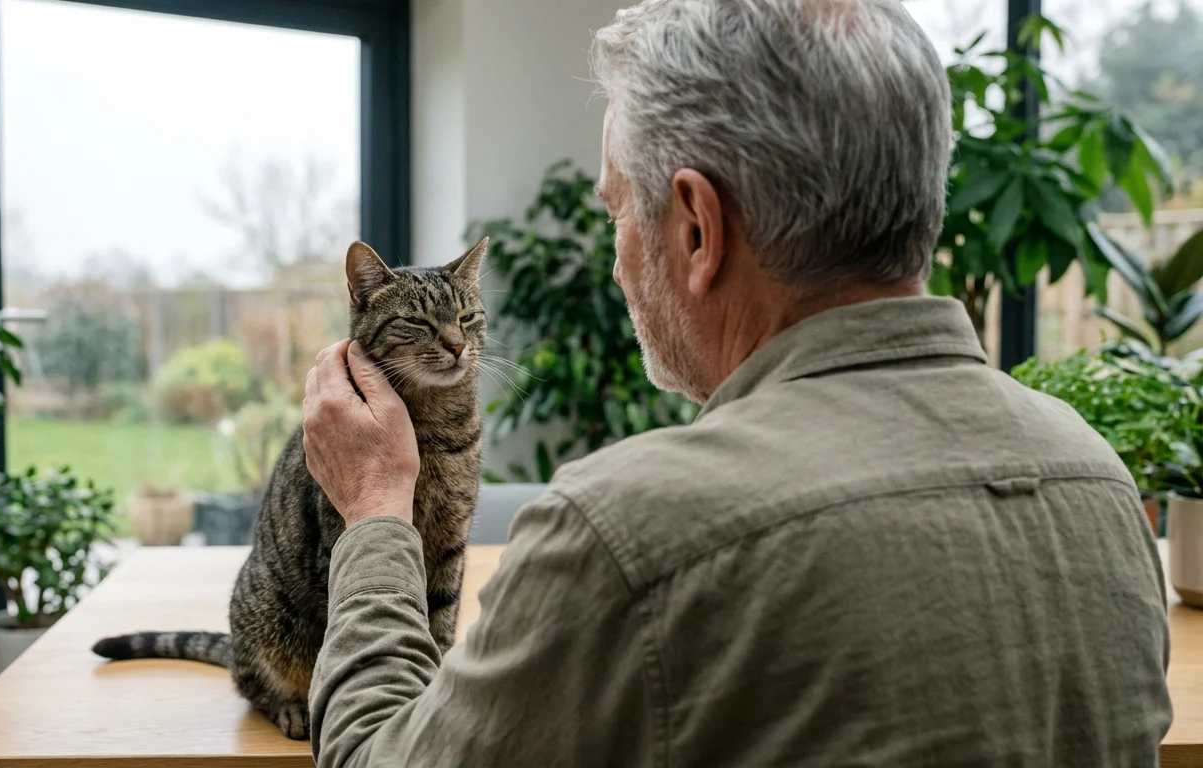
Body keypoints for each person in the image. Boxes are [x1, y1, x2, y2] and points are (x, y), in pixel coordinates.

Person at [299, 0, 1172, 764]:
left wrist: (377, 509)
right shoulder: (1101, 485)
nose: (614, 262)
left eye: (616, 211)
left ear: (695, 229)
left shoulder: (624, 536)